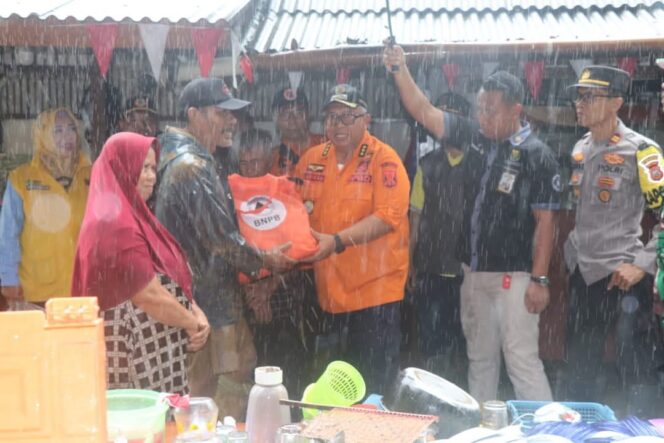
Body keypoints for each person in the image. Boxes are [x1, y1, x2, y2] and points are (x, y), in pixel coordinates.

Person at [384, 45, 560, 403]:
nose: (482, 116)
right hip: (473, 273)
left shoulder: (537, 155)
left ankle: (547, 433)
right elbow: (424, 111)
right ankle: (485, 430)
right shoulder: (476, 140)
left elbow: (546, 224)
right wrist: (400, 69)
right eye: (479, 108)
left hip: (516, 277)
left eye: (490, 111)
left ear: (516, 110)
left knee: (522, 361)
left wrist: (540, 280)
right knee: (479, 361)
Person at [154, 77, 294, 418]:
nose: (232, 120)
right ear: (194, 115)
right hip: (209, 304)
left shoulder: (178, 156)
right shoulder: (192, 166)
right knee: (225, 386)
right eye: (222, 112)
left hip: (193, 299)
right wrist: (268, 262)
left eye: (234, 113)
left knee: (198, 390)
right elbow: (222, 240)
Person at [71, 132, 209, 394]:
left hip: (153, 350)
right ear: (122, 167)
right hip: (131, 350)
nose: (151, 176)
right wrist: (192, 323)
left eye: (153, 168)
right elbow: (148, 294)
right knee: (136, 427)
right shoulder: (113, 224)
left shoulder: (135, 216)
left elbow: (170, 272)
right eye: (143, 167)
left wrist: (194, 309)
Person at [294, 84, 410, 394]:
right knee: (331, 389)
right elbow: (293, 213)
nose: (338, 126)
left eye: (347, 117)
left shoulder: (384, 160)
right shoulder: (311, 159)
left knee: (372, 389)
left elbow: (388, 217)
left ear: (366, 120)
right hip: (327, 297)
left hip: (374, 297)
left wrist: (337, 240)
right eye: (332, 118)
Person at [564, 66, 664, 413]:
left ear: (616, 103)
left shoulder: (642, 151)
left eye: (590, 97)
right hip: (584, 273)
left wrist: (642, 264)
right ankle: (576, 431)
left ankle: (648, 433)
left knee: (635, 366)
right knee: (579, 367)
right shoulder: (579, 148)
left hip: (623, 276)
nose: (581, 103)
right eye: (580, 96)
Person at [232, 128, 317, 396]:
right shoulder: (228, 192)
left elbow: (299, 249)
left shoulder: (286, 189)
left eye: (255, 162)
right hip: (243, 303)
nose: (249, 170)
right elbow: (226, 247)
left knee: (287, 372)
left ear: (270, 158)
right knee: (249, 375)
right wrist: (251, 291)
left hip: (284, 300)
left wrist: (268, 288)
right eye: (244, 163)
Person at [409, 92, 471, 388]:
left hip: (468, 272)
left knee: (466, 343)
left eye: (451, 117)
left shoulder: (481, 162)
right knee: (431, 342)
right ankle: (434, 399)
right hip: (431, 269)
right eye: (440, 116)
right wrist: (410, 263)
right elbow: (415, 217)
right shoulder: (426, 163)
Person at [0, 108, 91, 305]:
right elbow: (8, 234)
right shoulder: (21, 178)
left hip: (82, 288)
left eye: (71, 129)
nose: (66, 137)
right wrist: (8, 278)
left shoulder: (90, 175)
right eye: (57, 130)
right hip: (36, 290)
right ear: (42, 135)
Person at [271, 87, 324, 176]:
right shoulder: (270, 158)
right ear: (276, 119)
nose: (292, 121)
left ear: (308, 116)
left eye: (298, 113)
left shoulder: (327, 145)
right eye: (285, 114)